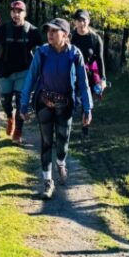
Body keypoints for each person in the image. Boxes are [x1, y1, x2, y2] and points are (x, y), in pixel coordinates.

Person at [19, 18, 92, 199]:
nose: (50, 35)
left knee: (62, 140)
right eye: (48, 31)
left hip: (65, 104)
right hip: (44, 102)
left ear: (65, 35)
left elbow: (83, 83)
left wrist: (87, 108)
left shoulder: (75, 54)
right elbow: (31, 77)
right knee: (46, 142)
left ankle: (61, 161)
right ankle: (47, 182)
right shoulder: (42, 53)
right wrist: (23, 103)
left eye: (54, 31)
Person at [0, 0, 41, 144]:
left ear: (25, 13)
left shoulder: (33, 31)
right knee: (5, 102)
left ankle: (18, 132)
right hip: (5, 72)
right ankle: (10, 117)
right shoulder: (2, 30)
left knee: (21, 102)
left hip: (24, 72)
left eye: (19, 11)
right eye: (13, 11)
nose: (16, 14)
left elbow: (43, 51)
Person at [70, 10, 107, 136]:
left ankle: (85, 126)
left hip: (89, 74)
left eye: (84, 20)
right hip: (72, 73)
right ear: (75, 22)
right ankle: (66, 126)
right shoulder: (70, 37)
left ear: (88, 21)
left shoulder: (95, 38)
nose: (81, 23)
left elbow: (100, 60)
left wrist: (103, 79)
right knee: (70, 99)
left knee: (87, 100)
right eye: (79, 21)